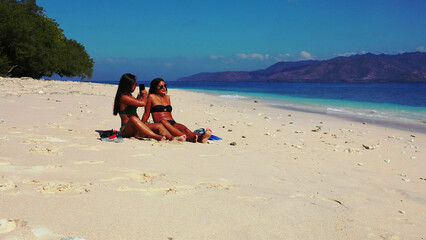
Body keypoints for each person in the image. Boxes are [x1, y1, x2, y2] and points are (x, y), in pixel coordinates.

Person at [113, 73, 185, 141]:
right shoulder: (123, 97)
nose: (136, 86)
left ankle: (172, 138)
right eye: (135, 84)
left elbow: (134, 106)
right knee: (132, 118)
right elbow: (143, 103)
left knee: (159, 125)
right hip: (126, 129)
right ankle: (156, 137)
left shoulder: (130, 96)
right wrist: (144, 95)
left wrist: (138, 98)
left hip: (137, 128)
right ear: (129, 85)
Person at [142, 78, 212, 143]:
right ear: (155, 88)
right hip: (161, 124)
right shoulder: (151, 96)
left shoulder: (167, 98)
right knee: (165, 122)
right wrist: (141, 126)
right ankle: (189, 138)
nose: (164, 88)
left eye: (164, 86)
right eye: (161, 86)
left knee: (185, 129)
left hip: (172, 122)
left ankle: (200, 137)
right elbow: (146, 114)